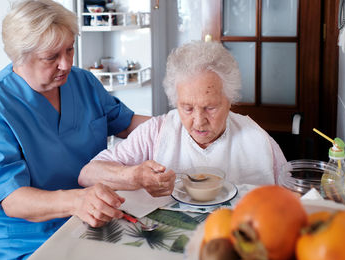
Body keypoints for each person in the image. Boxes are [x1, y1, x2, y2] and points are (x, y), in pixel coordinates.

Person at [0, 0, 150, 260]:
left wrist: (178, 122)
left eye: (70, 50)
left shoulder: (82, 82)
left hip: (84, 217)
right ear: (19, 57)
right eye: (51, 57)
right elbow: (14, 201)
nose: (66, 64)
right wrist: (77, 201)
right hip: (21, 236)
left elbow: (126, 123)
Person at [78, 41, 287, 192]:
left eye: (210, 108)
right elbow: (88, 174)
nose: (198, 121)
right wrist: (134, 176)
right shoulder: (156, 132)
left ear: (229, 100)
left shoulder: (257, 140)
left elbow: (294, 199)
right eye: (187, 108)